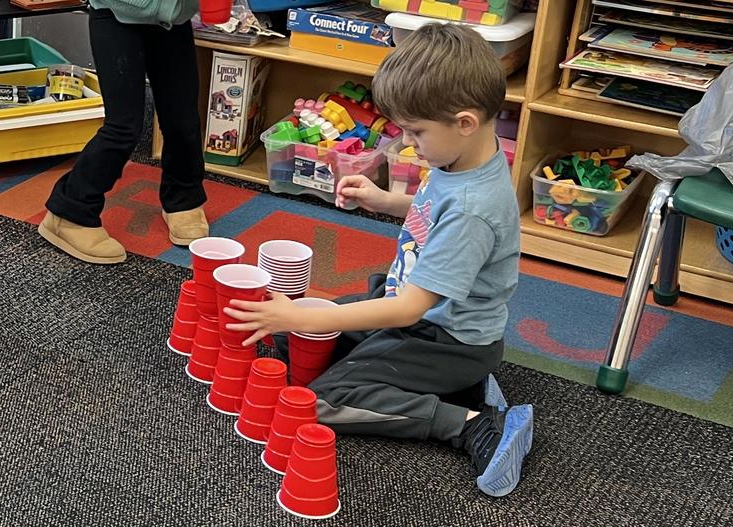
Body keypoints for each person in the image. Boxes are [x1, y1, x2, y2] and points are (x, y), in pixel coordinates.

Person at [223, 23, 534, 497]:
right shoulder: (461, 160)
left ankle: (469, 423)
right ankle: (460, 387)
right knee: (300, 335)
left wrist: (295, 314)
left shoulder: (474, 208)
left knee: (321, 400)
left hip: (443, 339)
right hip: (418, 314)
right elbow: (434, 213)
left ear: (465, 122)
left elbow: (408, 309)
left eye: (416, 132)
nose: (408, 142)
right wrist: (387, 201)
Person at [37, 0, 209, 264]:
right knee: (124, 126)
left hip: (174, 20)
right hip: (118, 15)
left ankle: (183, 198)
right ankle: (69, 213)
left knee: (183, 120)